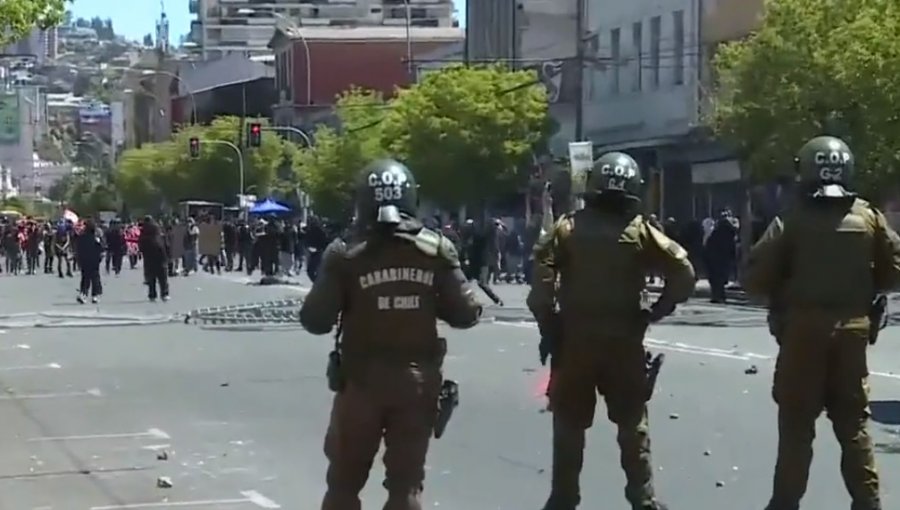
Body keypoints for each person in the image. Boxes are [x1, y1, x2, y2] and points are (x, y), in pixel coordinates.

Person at [299, 158, 482, 510]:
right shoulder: (436, 250)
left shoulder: (345, 254)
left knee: (343, 484)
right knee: (407, 486)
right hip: (417, 384)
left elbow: (315, 320)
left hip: (360, 384)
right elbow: (467, 313)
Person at [528, 152, 695, 510]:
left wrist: (549, 326)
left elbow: (540, 287)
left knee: (569, 425)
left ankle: (563, 499)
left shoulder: (567, 229)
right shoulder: (640, 230)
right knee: (632, 423)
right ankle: (643, 498)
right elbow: (683, 271)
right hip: (624, 341)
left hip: (574, 341)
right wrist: (656, 311)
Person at [742, 136, 900, 510]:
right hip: (853, 333)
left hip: (802, 333)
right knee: (853, 425)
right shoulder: (869, 217)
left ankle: (785, 504)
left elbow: (754, 280)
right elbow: (894, 271)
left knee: (797, 426)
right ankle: (868, 502)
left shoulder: (791, 220)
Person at [139, 216, 170, 302]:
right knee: (163, 278)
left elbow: (141, 247)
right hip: (161, 257)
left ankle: (152, 295)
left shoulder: (143, 234)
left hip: (149, 258)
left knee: (151, 278)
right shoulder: (159, 233)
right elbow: (167, 245)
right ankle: (164, 294)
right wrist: (168, 256)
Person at [75, 218, 104, 304]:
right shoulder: (96, 238)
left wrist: (78, 260)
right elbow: (101, 249)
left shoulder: (81, 238)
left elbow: (78, 250)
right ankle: (94, 296)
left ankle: (83, 294)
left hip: (85, 261)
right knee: (95, 278)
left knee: (85, 278)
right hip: (94, 261)